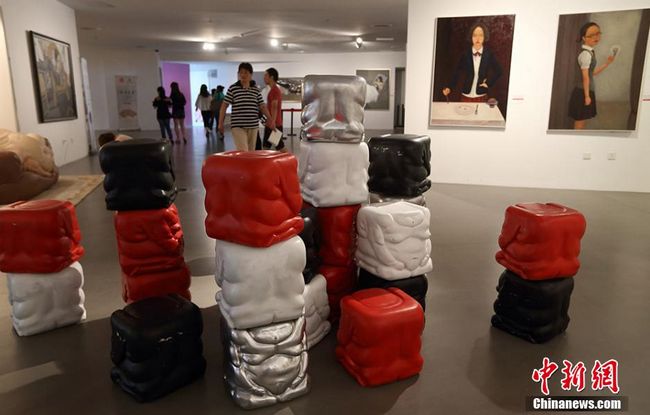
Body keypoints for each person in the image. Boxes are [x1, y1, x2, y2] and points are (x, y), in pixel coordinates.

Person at [569, 22, 616, 129]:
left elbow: (592, 73)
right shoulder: (585, 54)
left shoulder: (590, 52)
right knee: (580, 122)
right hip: (582, 92)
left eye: (598, 34)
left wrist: (607, 63)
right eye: (591, 35)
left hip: (587, 91)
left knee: (582, 121)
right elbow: (585, 78)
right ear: (584, 38)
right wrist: (587, 96)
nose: (596, 37)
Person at [218, 62, 274, 151]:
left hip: (253, 126)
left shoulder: (255, 90)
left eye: (246, 72)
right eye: (241, 72)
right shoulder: (233, 88)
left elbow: (262, 106)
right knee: (243, 150)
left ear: (251, 75)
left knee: (251, 152)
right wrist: (220, 123)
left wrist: (270, 119)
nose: (243, 75)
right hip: (238, 126)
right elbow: (224, 106)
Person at [442, 23, 502, 102]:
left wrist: (488, 83)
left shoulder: (488, 54)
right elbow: (456, 73)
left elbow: (499, 71)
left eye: (481, 35)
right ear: (471, 37)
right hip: (466, 94)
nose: (477, 38)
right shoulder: (465, 54)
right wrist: (449, 87)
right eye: (475, 35)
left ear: (485, 37)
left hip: (481, 95)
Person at [262, 67, 285, 151]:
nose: (264, 77)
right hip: (271, 124)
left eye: (265, 75)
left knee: (280, 147)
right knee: (266, 147)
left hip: (274, 124)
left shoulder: (275, 90)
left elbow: (274, 106)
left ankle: (291, 158)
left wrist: (272, 122)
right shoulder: (273, 90)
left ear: (271, 77)